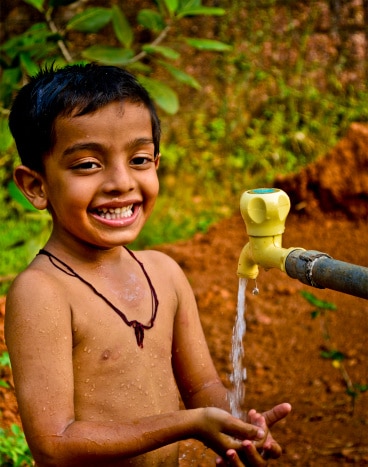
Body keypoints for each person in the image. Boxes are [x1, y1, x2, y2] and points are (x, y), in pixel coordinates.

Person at [5, 63, 291, 467]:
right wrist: (186, 424)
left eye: (138, 159)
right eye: (87, 164)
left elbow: (203, 386)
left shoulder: (164, 273)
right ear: (36, 185)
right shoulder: (43, 292)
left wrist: (238, 427)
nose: (121, 182)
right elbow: (54, 444)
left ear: (157, 163)